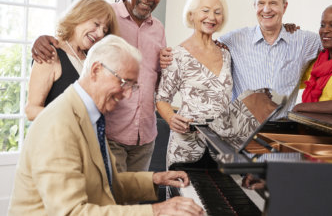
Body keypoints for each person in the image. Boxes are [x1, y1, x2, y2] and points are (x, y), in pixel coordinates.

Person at [8, 35, 203, 216]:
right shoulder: (58, 124)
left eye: (133, 86)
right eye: (124, 82)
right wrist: (156, 210)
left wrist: (155, 179)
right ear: (96, 70)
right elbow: (71, 212)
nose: (128, 94)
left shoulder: (91, 116)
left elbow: (107, 184)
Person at [160, 0, 332, 120]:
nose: (266, 9)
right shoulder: (233, 40)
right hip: (240, 140)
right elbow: (203, 43)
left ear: (284, 7)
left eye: (273, 3)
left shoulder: (305, 41)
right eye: (261, 3)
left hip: (284, 140)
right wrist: (170, 54)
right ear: (254, 6)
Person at [31, 0, 167, 172]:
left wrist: (167, 64)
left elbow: (156, 75)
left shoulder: (158, 29)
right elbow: (71, 35)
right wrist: (42, 39)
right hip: (109, 134)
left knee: (134, 196)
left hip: (145, 134)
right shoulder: (106, 14)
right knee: (108, 198)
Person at [155, 0, 234, 168]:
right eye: (205, 11)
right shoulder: (176, 55)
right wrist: (171, 118)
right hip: (186, 147)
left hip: (221, 148)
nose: (211, 17)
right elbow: (162, 99)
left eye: (217, 12)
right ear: (191, 15)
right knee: (185, 196)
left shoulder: (226, 54)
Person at [25, 0, 118, 121]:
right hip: (57, 138)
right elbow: (31, 110)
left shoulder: (92, 61)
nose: (100, 34)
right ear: (79, 16)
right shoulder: (50, 53)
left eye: (104, 30)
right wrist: (71, 117)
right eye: (96, 24)